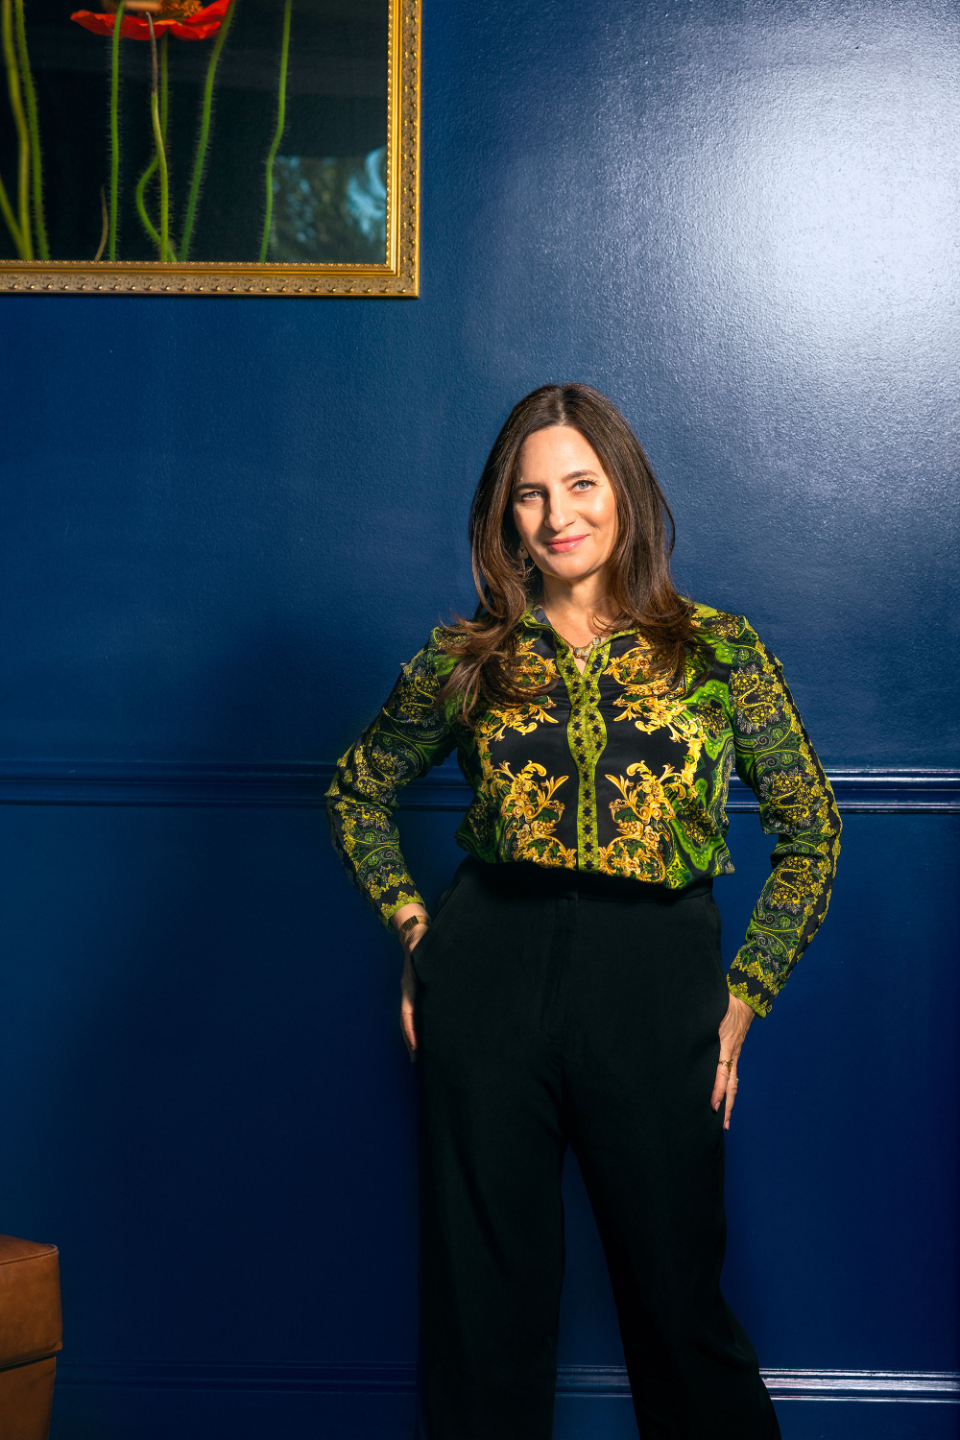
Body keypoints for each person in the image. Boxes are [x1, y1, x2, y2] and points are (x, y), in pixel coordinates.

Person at [324, 382, 842, 1440]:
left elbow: (812, 831)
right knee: (483, 1312)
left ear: (625, 491)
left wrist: (744, 1000)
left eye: (580, 484)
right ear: (504, 516)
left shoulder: (718, 651)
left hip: (655, 979)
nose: (558, 516)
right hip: (488, 969)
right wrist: (417, 932)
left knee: (677, 1304)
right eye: (530, 495)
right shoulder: (469, 656)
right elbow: (357, 788)